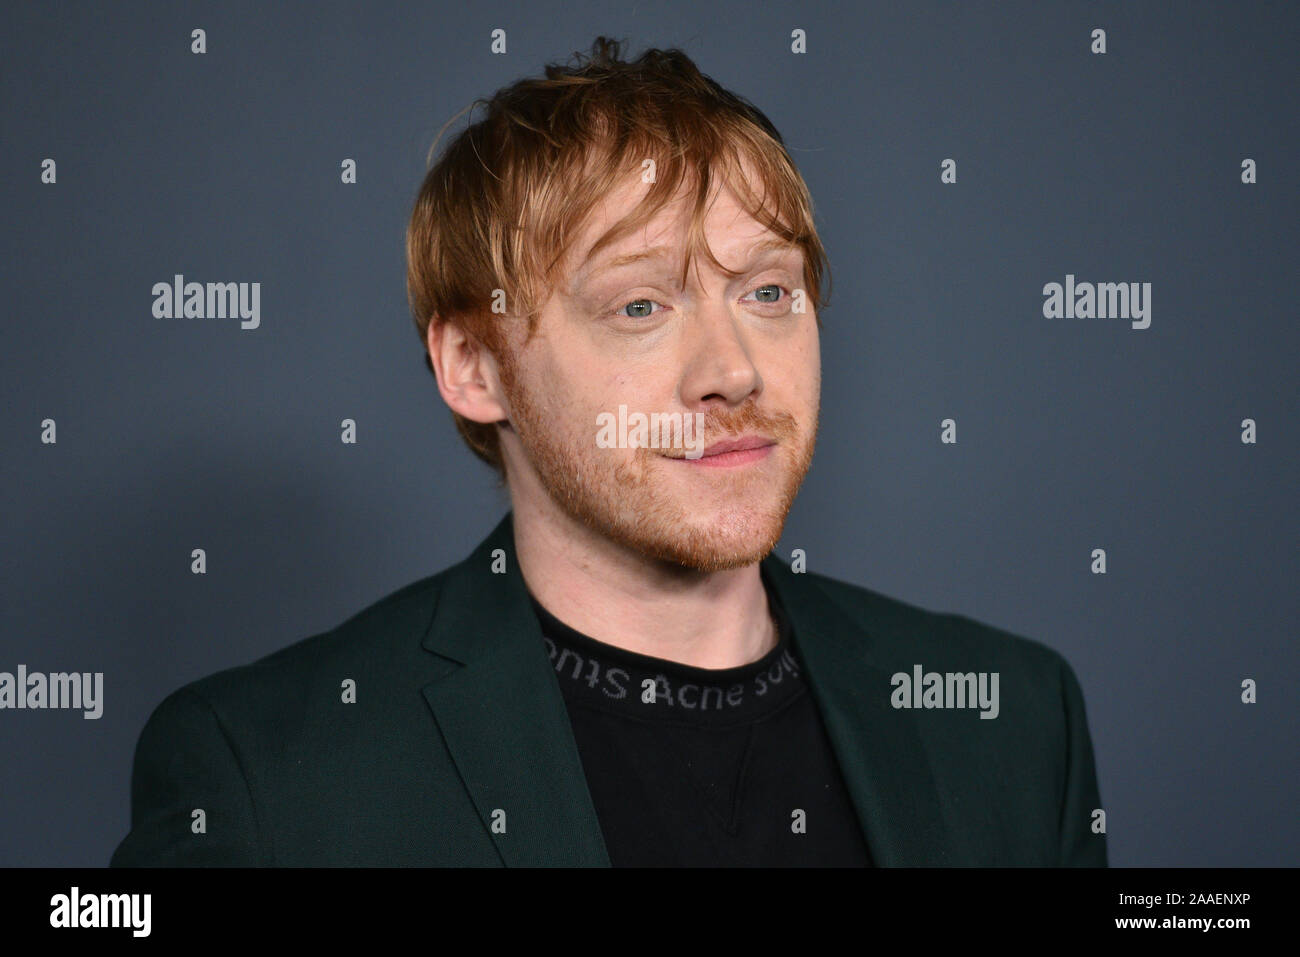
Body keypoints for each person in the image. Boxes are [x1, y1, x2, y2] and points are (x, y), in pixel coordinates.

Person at [110, 36, 1106, 867]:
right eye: (639, 304)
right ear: (473, 366)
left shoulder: (1013, 720)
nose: (733, 371)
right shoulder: (267, 777)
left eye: (766, 291)